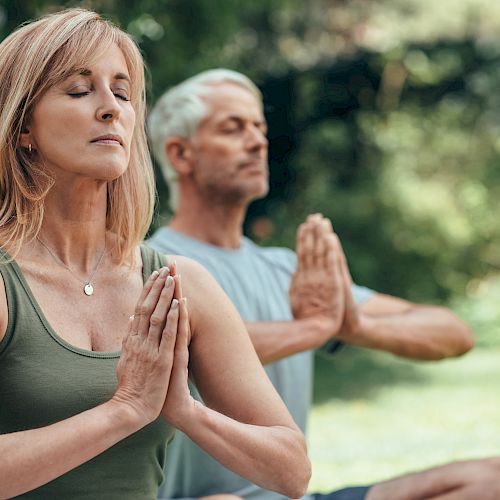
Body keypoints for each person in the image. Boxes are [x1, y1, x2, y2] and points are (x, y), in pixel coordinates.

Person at [0, 13, 311, 500]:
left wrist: (186, 410)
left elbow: (290, 471)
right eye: (79, 91)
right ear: (22, 129)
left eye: (122, 94)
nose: (111, 110)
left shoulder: (178, 283)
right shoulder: (5, 284)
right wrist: (123, 410)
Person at [147, 69, 475, 500]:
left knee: (487, 481)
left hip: (294, 496)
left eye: (260, 128)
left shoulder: (289, 272)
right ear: (181, 155)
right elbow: (190, 347)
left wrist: (352, 325)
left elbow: (455, 333)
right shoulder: (152, 266)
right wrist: (310, 330)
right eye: (234, 128)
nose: (257, 141)